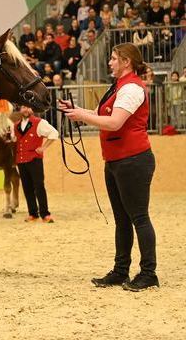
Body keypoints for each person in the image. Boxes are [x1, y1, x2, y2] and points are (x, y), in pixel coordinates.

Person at [59, 42, 159, 291]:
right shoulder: (119, 87)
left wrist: (82, 117)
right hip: (117, 161)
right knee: (122, 219)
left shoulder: (132, 88)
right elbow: (101, 112)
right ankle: (120, 270)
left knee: (139, 217)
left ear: (126, 62)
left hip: (133, 160)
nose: (110, 62)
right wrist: (77, 110)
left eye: (114, 58)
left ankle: (149, 273)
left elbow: (114, 122)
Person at [14, 105, 58, 223]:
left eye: (28, 107)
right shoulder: (16, 125)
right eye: (23, 107)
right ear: (20, 109)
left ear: (32, 109)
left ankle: (45, 214)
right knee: (27, 188)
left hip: (34, 159)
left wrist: (43, 147)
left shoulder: (39, 123)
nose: (26, 110)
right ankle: (33, 213)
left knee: (39, 186)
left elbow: (54, 133)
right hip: (21, 160)